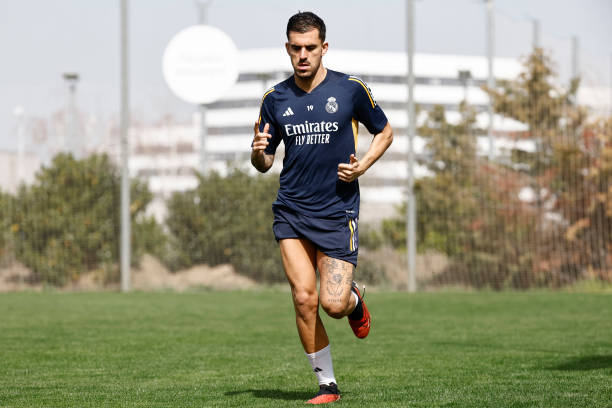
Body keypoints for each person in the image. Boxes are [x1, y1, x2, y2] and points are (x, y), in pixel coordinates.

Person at [250, 11, 393, 405]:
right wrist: (259, 155)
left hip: (336, 212)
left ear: (323, 47)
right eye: (295, 48)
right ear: (287, 48)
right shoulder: (274, 99)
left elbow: (385, 130)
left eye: (310, 47)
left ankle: (354, 299)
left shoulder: (350, 89)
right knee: (303, 297)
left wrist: (363, 164)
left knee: (333, 304)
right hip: (291, 212)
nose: (302, 55)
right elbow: (262, 163)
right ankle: (327, 385)